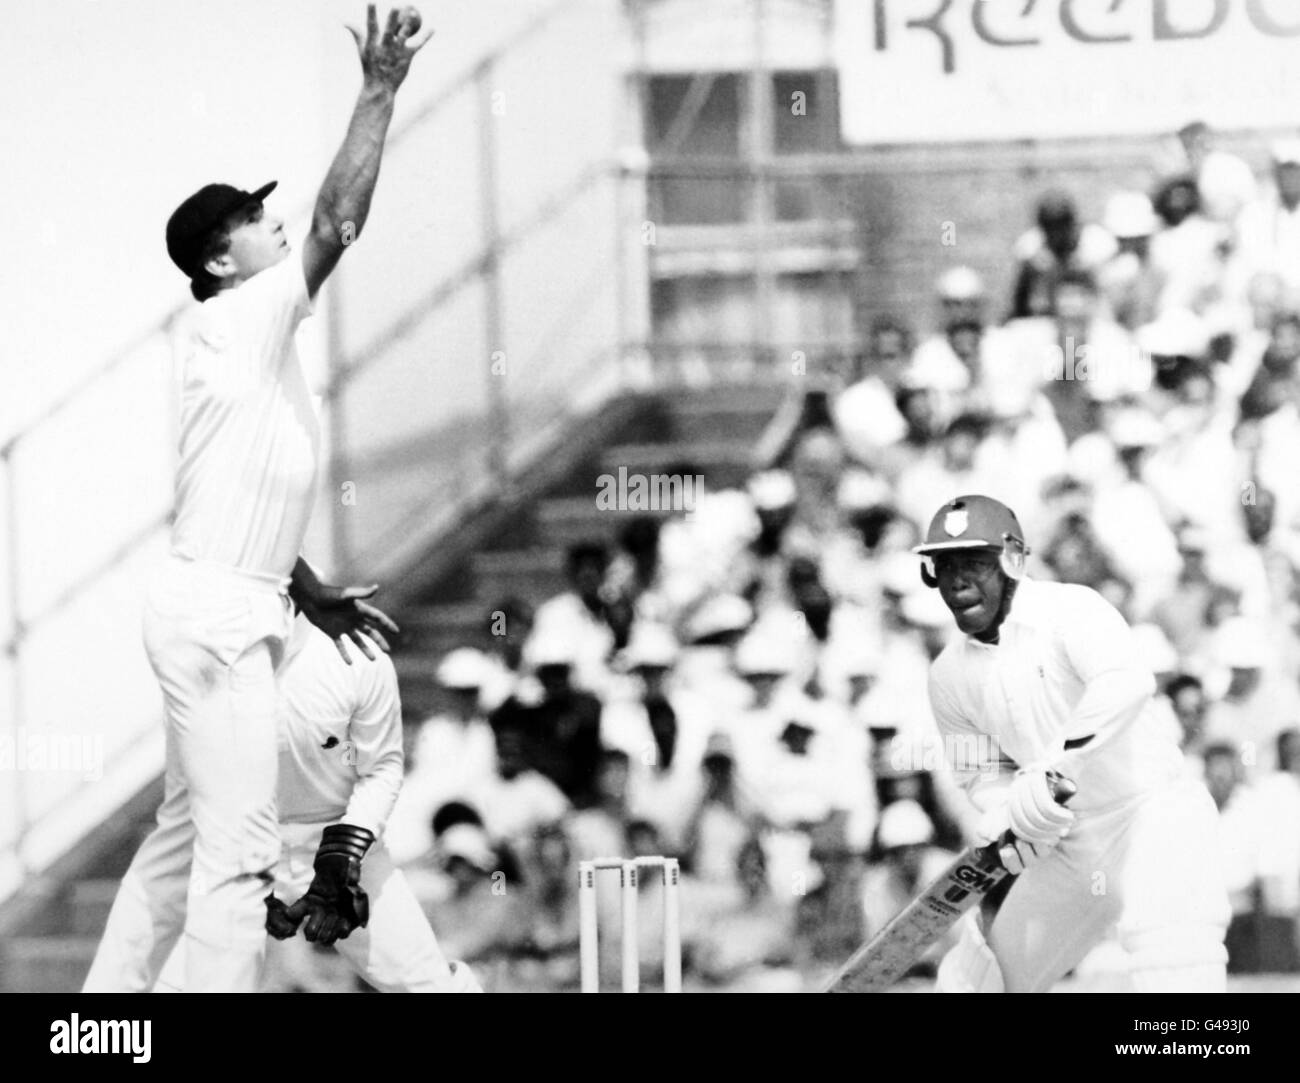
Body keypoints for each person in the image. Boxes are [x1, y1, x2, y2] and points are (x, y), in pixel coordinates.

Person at [84, 6, 427, 993]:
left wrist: (307, 587)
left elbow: (237, 496)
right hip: (223, 618)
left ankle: (100, 1020)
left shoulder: (246, 348)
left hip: (227, 597)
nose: (270, 215)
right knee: (237, 859)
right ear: (220, 261)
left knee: (180, 837)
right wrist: (377, 95)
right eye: (250, 215)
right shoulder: (243, 315)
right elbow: (336, 223)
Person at [915, 494, 1230, 992]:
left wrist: (1053, 771)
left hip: (1153, 815)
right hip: (1072, 845)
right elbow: (981, 771)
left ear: (1012, 559)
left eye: (973, 563)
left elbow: (1126, 683)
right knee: (975, 983)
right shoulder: (948, 676)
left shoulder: (1070, 609)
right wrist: (1009, 811)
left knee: (1176, 966)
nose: (957, 581)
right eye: (944, 566)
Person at [143, 615, 481, 993]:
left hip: (344, 848)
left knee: (429, 987)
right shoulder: (200, 663)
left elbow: (381, 770)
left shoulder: (357, 658)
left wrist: (343, 857)